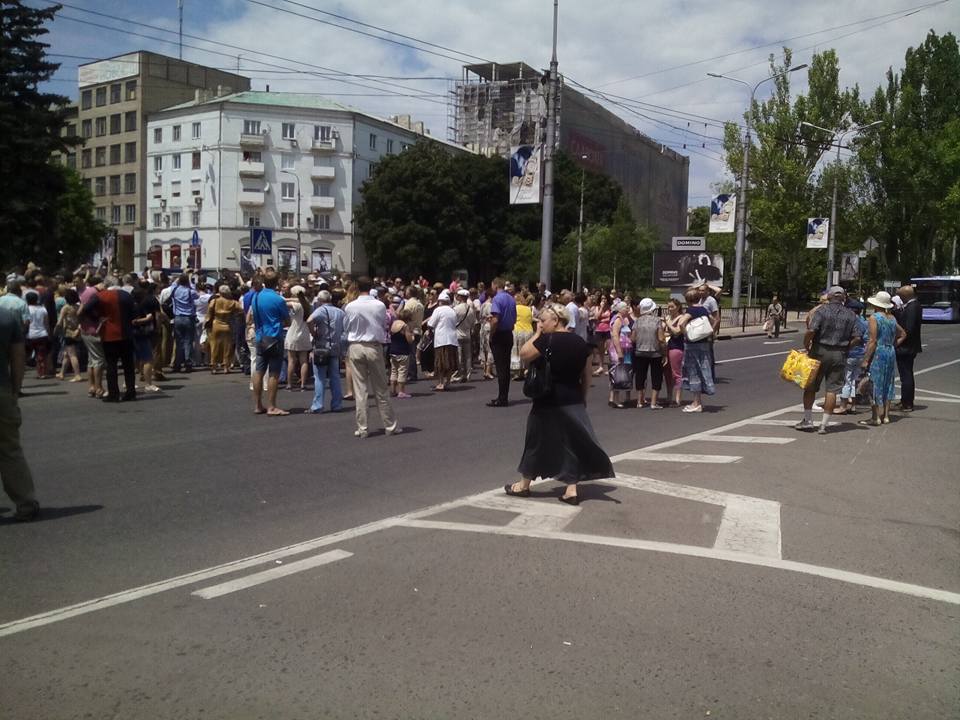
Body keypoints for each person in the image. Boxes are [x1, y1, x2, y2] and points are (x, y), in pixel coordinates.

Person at [503, 303, 614, 505]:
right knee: (571, 443)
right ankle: (571, 489)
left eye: (543, 321)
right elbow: (587, 375)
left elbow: (524, 354)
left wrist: (537, 334)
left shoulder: (546, 340)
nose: (540, 324)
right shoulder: (581, 343)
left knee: (536, 442)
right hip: (572, 398)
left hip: (547, 399)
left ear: (556, 321)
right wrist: (583, 397)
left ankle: (524, 485)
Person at [796, 286, 862, 434]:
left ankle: (808, 420)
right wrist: (846, 348)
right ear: (843, 298)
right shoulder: (851, 314)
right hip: (839, 353)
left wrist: (807, 344)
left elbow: (812, 330)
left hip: (819, 350)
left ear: (829, 297)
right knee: (832, 389)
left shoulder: (822, 311)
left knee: (811, 386)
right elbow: (858, 337)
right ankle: (824, 425)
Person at [343, 277, 400, 437]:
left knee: (360, 390)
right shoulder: (379, 305)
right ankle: (390, 426)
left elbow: (348, 326)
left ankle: (363, 428)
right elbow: (383, 324)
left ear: (356, 287)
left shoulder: (350, 306)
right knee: (381, 388)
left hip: (355, 345)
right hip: (373, 346)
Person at [0, 307, 39, 521]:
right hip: (2, 391)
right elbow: (18, 357)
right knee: (10, 449)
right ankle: (25, 502)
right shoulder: (6, 317)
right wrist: (15, 389)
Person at [82, 277, 137, 403]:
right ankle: (131, 392)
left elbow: (86, 309)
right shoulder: (127, 295)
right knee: (128, 365)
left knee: (111, 365)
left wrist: (98, 318)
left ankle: (114, 393)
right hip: (126, 333)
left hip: (109, 334)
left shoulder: (101, 295)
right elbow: (135, 312)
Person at [859, 291, 906, 426]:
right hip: (890, 351)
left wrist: (866, 359)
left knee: (874, 383)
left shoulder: (874, 318)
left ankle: (875, 417)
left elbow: (872, 340)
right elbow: (903, 334)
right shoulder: (892, 318)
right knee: (888, 382)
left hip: (879, 352)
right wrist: (892, 345)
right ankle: (886, 415)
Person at [249, 269, 290, 416]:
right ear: (277, 282)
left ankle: (258, 405)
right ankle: (271, 406)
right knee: (274, 372)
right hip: (274, 337)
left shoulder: (256, 296)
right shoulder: (278, 299)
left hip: (260, 337)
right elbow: (287, 320)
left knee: (259, 372)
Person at [676, 288, 715, 412]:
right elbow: (713, 320)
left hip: (692, 344)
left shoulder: (691, 310)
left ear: (687, 300)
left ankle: (696, 403)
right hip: (704, 343)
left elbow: (681, 323)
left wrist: (686, 334)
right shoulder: (703, 309)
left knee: (693, 372)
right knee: (702, 369)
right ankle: (698, 401)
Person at [306, 290, 345, 414]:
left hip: (322, 346)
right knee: (335, 377)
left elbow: (309, 320)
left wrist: (313, 333)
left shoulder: (321, 310)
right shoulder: (340, 312)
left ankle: (317, 405)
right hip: (336, 346)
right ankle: (337, 404)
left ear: (320, 300)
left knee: (320, 377)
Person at [487, 277, 517, 407]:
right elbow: (514, 318)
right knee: (505, 366)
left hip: (499, 334)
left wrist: (491, 334)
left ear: (495, 285)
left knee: (500, 368)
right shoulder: (511, 298)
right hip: (508, 333)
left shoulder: (497, 299)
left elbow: (495, 319)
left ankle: (502, 398)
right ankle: (503, 396)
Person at [631, 298, 665, 409]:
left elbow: (633, 338)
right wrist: (664, 352)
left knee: (640, 376)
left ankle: (640, 401)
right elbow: (661, 339)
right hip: (655, 352)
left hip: (640, 351)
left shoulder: (637, 321)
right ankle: (653, 402)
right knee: (656, 376)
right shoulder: (657, 321)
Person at [836, 298, 868, 415]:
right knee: (854, 381)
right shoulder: (864, 322)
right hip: (860, 354)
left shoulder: (848, 322)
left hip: (849, 353)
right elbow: (866, 339)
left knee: (846, 381)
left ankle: (843, 405)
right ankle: (853, 405)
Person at [894, 285, 922, 412]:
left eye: (900, 296)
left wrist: (899, 341)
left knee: (906, 375)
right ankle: (905, 400)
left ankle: (907, 403)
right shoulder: (911, 306)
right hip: (909, 346)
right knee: (906, 374)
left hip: (907, 347)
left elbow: (909, 328)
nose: (899, 298)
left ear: (906, 296)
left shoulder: (912, 307)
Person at [427, 289, 458, 391]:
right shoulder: (453, 311)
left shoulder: (438, 310)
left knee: (440, 362)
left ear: (440, 301)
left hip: (441, 339)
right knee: (450, 362)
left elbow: (430, 324)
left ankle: (440, 383)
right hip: (452, 339)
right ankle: (448, 382)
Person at [208, 286, 243, 374]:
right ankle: (226, 366)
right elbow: (241, 311)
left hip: (216, 324)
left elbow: (209, 313)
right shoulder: (233, 302)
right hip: (227, 324)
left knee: (214, 346)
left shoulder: (214, 301)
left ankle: (214, 366)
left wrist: (207, 323)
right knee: (227, 347)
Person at [284, 285, 313, 392]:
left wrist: (291, 298)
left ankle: (289, 384)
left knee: (291, 360)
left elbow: (281, 301)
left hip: (293, 332)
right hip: (305, 333)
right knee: (303, 361)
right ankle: (303, 384)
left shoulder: (294, 304)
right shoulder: (308, 305)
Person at [608, 300, 634, 408]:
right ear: (620, 309)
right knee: (617, 373)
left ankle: (615, 397)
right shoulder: (618, 320)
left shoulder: (624, 319)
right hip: (618, 349)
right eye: (626, 308)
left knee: (622, 373)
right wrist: (619, 352)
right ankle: (615, 399)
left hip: (626, 349)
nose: (628, 309)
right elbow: (615, 335)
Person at [170, 274, 198, 373]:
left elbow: (173, 284)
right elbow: (196, 294)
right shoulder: (190, 291)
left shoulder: (174, 290)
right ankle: (188, 363)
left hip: (177, 317)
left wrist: (179, 278)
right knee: (188, 342)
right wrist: (190, 281)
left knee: (178, 342)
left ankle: (177, 364)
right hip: (188, 318)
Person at [54, 288, 84, 382]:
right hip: (77, 332)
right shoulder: (78, 307)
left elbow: (59, 321)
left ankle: (77, 375)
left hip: (68, 333)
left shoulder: (66, 307)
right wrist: (78, 329)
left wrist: (55, 330)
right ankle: (62, 373)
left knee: (72, 355)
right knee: (66, 354)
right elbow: (81, 320)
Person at [388, 307, 415, 398]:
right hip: (403, 351)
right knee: (402, 371)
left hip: (393, 350)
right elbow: (409, 340)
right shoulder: (405, 326)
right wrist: (412, 336)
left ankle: (392, 390)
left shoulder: (394, 323)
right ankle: (401, 391)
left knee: (394, 371)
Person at [663, 298, 684, 407]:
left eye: (672, 306)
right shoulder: (667, 317)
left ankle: (677, 398)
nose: (669, 309)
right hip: (666, 346)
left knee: (676, 373)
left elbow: (677, 332)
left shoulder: (681, 318)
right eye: (668, 306)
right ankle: (669, 396)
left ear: (678, 307)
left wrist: (668, 324)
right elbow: (664, 332)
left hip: (676, 347)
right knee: (667, 373)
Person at [25, 291, 51, 379]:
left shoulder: (26, 309)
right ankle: (42, 373)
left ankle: (21, 370)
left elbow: (25, 323)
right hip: (42, 334)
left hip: (30, 335)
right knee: (41, 355)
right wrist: (49, 333)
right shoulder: (43, 309)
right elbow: (46, 323)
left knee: (26, 355)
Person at [512, 292, 535, 381]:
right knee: (526, 351)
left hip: (518, 330)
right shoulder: (528, 309)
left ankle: (517, 373)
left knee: (517, 352)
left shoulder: (515, 308)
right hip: (528, 331)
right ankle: (526, 369)